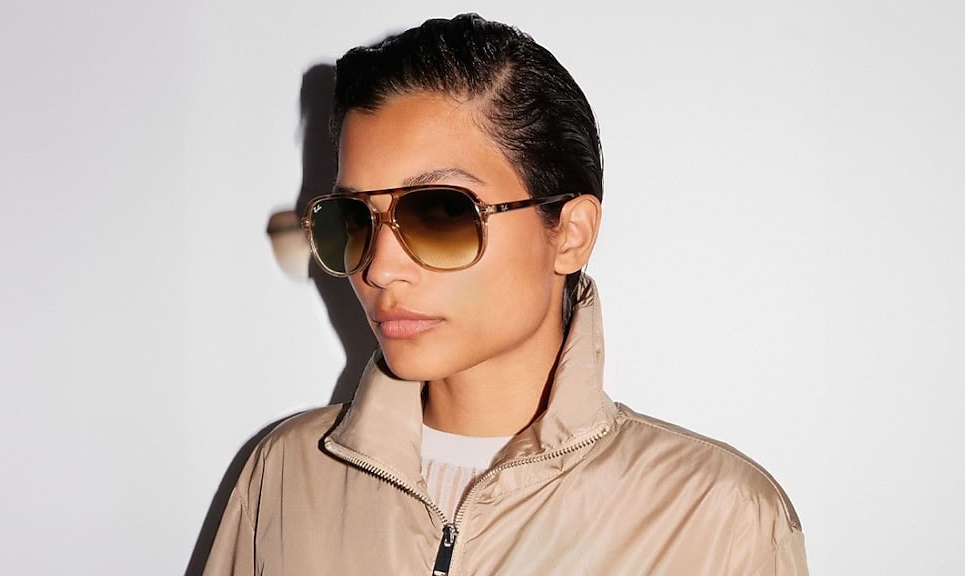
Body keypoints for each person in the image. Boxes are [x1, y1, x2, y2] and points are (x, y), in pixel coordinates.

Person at [204, 13, 809, 575]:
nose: (380, 268)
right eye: (353, 220)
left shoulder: (718, 519)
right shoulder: (286, 476)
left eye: (440, 213)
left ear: (569, 235)